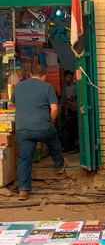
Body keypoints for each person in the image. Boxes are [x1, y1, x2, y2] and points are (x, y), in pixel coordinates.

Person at [12, 64, 66, 201]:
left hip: (22, 129)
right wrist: (51, 123)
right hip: (43, 127)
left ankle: (23, 189)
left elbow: (13, 105)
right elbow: (54, 108)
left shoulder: (18, 86)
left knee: (24, 158)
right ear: (44, 75)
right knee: (54, 143)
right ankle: (59, 167)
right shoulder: (47, 87)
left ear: (31, 74)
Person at [62, 70, 78, 152]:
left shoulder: (75, 86)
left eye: (71, 77)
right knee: (67, 129)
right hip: (67, 110)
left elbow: (78, 96)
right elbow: (62, 99)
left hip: (74, 110)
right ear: (64, 77)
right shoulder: (62, 87)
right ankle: (68, 146)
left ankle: (75, 146)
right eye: (68, 77)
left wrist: (74, 97)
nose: (69, 79)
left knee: (74, 128)